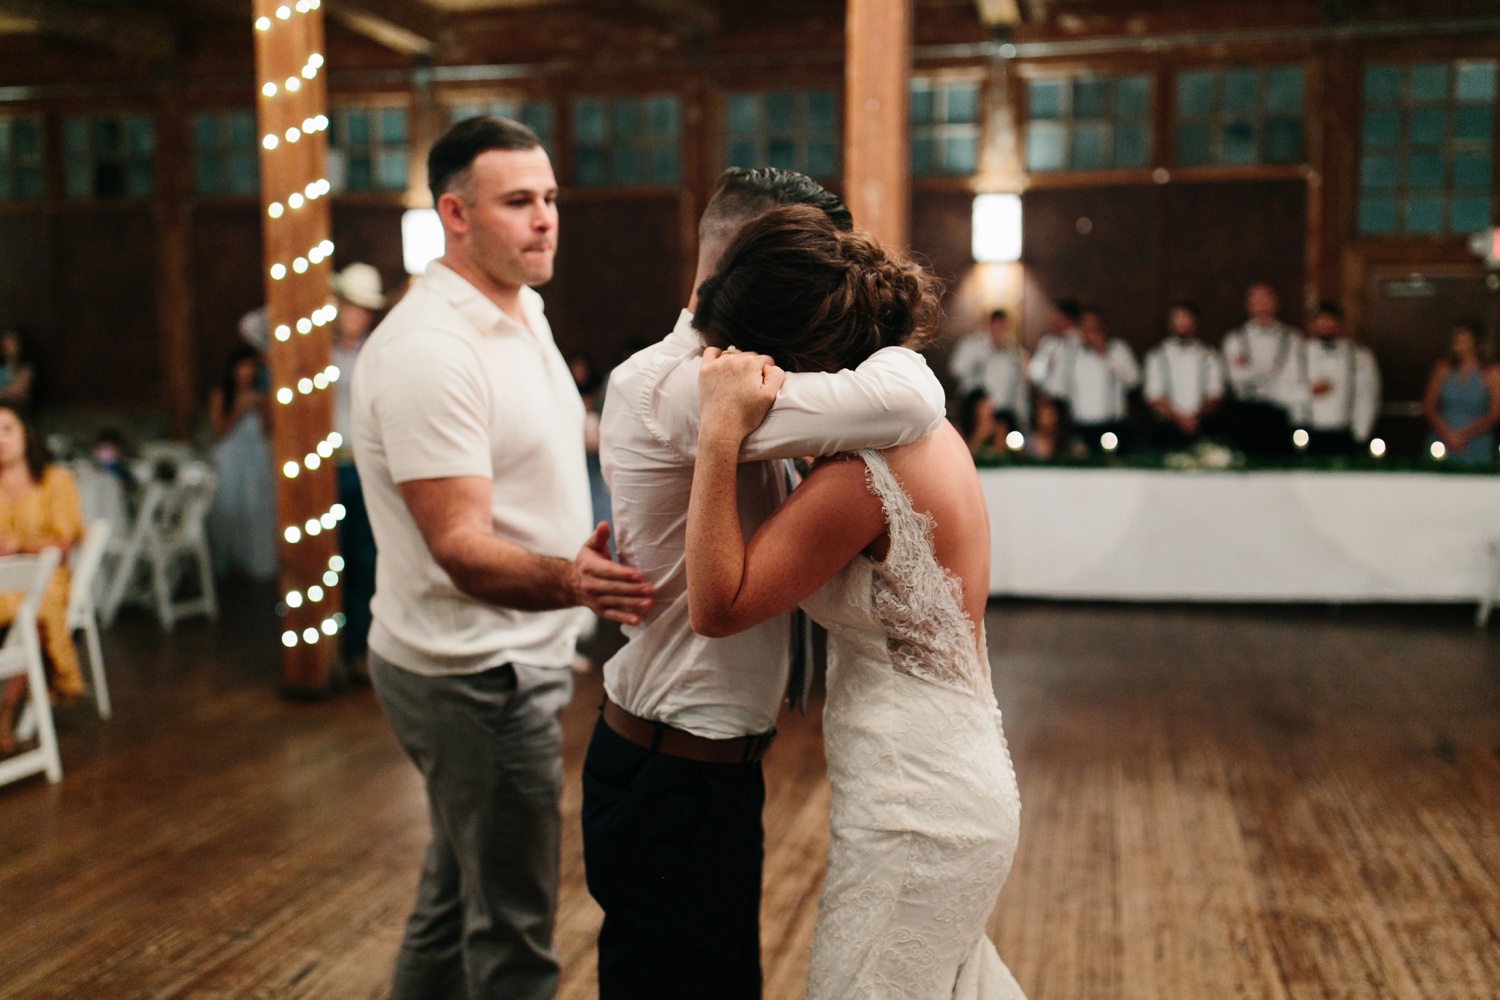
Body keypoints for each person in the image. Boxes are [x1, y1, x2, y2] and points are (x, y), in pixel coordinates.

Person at [586, 167, 946, 1000]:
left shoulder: (732, 381)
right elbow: (908, 395)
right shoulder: (683, 388)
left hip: (705, 768)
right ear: (746, 261)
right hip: (669, 772)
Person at [685, 204, 1024, 1000]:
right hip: (939, 780)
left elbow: (719, 603)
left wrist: (718, 431)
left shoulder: (862, 479)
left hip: (918, 810)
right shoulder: (904, 437)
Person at [352, 115, 653, 1000]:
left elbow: (547, 443)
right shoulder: (429, 352)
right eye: (518, 202)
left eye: (550, 198)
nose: (545, 219)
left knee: (455, 900)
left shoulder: (521, 308)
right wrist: (573, 581)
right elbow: (459, 547)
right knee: (515, 934)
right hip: (472, 674)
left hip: (511, 657)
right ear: (454, 213)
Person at [0, 405, 85, 754]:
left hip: (46, 576)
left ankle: (5, 711)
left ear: (26, 433)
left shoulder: (55, 479)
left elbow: (65, 541)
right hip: (4, 575)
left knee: (31, 614)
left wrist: (20, 545)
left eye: (7, 429)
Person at [331, 262, 386, 671]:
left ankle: (359, 652)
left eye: (365, 308)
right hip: (323, 468)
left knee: (365, 559)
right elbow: (254, 327)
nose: (358, 314)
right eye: (352, 305)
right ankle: (327, 652)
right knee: (326, 560)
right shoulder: (314, 347)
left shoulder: (377, 350)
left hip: (364, 465)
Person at [208, 344, 277, 580]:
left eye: (251, 366)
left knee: (257, 507)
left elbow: (268, 430)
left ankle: (256, 562)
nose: (246, 372)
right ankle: (230, 563)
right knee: (230, 507)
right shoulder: (221, 394)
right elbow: (220, 430)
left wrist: (263, 406)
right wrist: (237, 408)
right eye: (242, 366)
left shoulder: (262, 394)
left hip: (256, 456)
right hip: (231, 457)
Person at [1282, 302, 1381, 458]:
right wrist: (1309, 392)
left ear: (1341, 324)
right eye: (1321, 322)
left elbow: (1367, 396)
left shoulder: (1359, 356)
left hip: (1345, 433)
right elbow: (1281, 392)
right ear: (1312, 325)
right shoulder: (1297, 355)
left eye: (1331, 322)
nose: (1326, 326)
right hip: (1306, 433)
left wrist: (1360, 434)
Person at [1222, 282, 1302, 456]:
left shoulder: (1293, 339)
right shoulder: (1234, 339)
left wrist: (1252, 369)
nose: (1261, 305)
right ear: (1248, 305)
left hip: (1280, 413)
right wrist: (1270, 376)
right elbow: (1237, 378)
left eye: (1266, 300)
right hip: (1246, 412)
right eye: (1256, 301)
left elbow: (1293, 377)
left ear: (1276, 302)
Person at [1054, 307, 1140, 454]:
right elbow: (1056, 388)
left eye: (1094, 328)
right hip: (1079, 427)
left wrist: (1105, 353)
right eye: (1085, 327)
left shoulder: (1117, 349)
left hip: (1112, 427)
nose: (1090, 332)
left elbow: (1134, 380)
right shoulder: (1069, 354)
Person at [1143, 302, 1225, 450]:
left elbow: (1214, 393)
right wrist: (1180, 419)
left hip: (1202, 426)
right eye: (1178, 319)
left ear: (1195, 322)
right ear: (1170, 323)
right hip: (1166, 429)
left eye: (1186, 319)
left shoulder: (1209, 355)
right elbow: (1153, 396)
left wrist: (1194, 419)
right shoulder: (1157, 355)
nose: (1182, 324)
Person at [1424, 321, 1499, 465]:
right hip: (1442, 438)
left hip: (1476, 441)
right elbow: (1429, 406)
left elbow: (1494, 413)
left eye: (1463, 338)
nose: (1457, 342)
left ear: (1476, 342)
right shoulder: (1442, 369)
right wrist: (1448, 435)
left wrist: (1463, 436)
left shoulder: (1492, 373)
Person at [954, 310, 1029, 454]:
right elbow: (957, 369)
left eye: (1002, 327)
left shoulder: (1014, 353)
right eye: (995, 326)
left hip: (1004, 414)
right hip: (977, 411)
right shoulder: (973, 345)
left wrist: (1022, 419)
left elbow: (1020, 389)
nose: (998, 331)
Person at [0, 328, 37, 416]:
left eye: (12, 343)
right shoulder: (1, 366)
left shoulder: (26, 368)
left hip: (16, 408)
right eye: (5, 342)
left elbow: (17, 392)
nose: (8, 346)